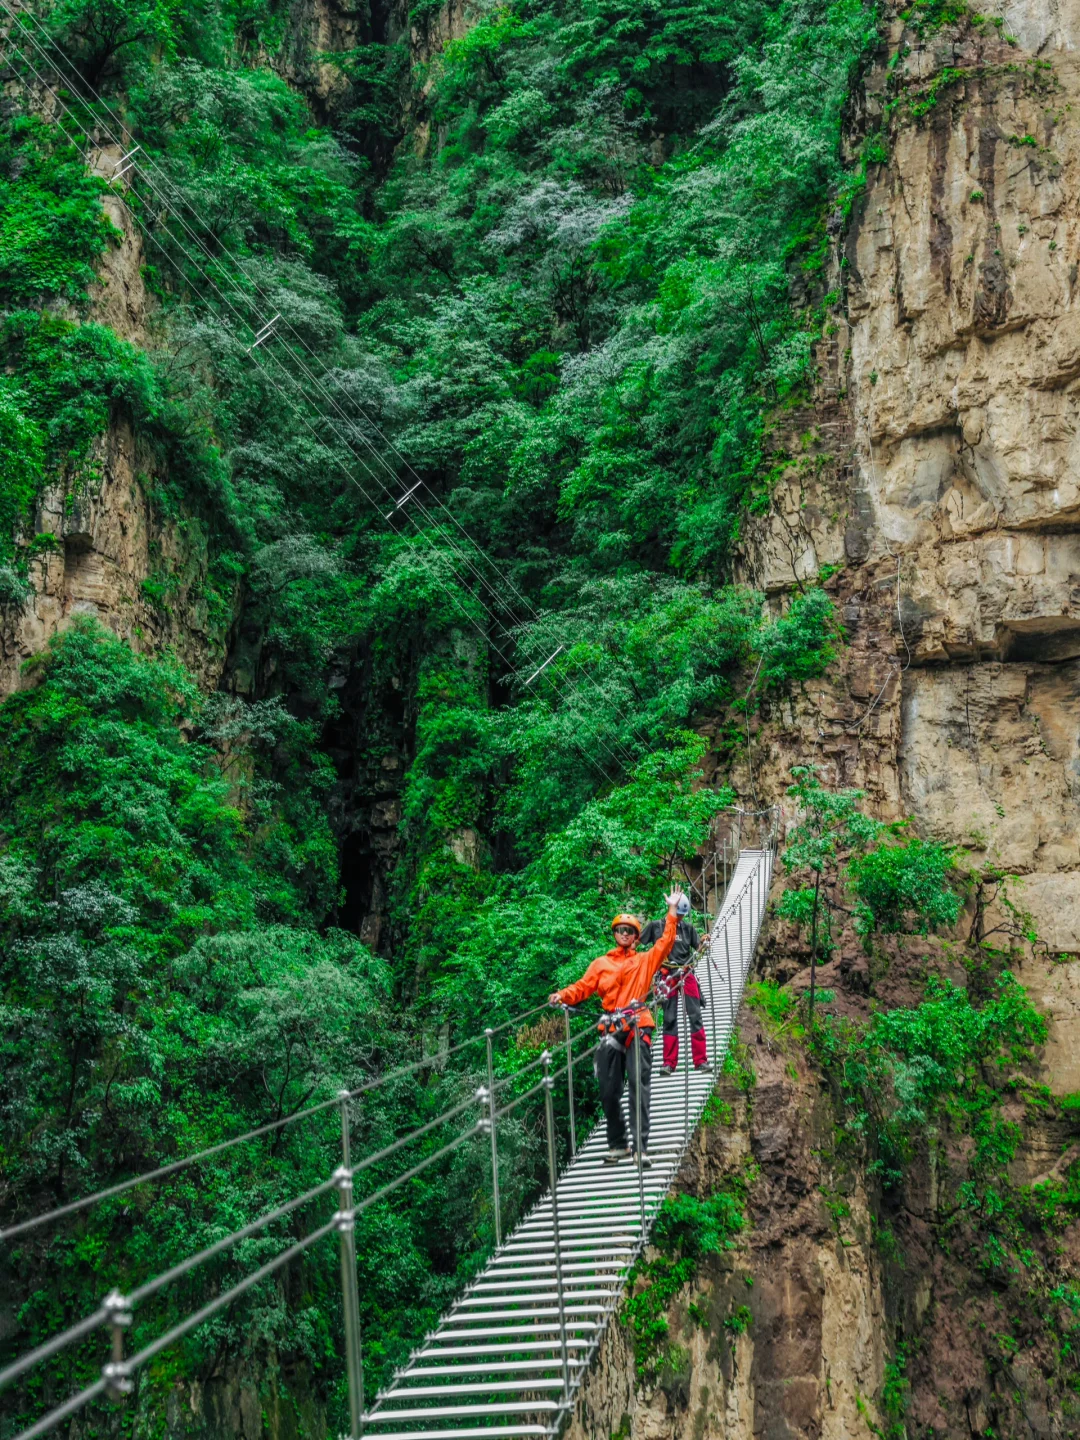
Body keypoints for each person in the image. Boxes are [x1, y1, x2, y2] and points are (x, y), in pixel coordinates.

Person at [549, 888, 685, 1167]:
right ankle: (619, 1145)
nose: (624, 934)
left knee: (637, 1083)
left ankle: (640, 1148)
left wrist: (672, 912)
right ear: (615, 934)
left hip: (637, 1025)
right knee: (608, 1090)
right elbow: (583, 987)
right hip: (610, 1029)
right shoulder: (601, 964)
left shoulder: (645, 960)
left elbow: (665, 942)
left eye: (630, 930)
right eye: (620, 930)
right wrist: (562, 995)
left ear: (636, 937)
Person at [638, 911, 711, 1076]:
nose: (680, 918)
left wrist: (704, 942)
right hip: (667, 974)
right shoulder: (656, 926)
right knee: (669, 1018)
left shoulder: (687, 928)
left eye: (682, 915)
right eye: (678, 915)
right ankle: (669, 1063)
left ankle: (700, 1061)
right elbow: (638, 941)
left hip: (686, 972)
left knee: (695, 1015)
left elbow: (697, 947)